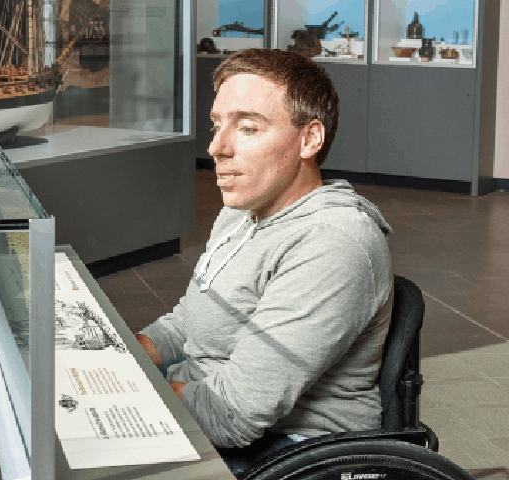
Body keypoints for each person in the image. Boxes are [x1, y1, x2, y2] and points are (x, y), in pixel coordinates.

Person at [134, 49, 393, 471]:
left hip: (288, 455)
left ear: (309, 139)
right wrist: (125, 354)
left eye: (248, 128)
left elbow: (232, 415)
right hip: (208, 414)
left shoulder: (333, 242)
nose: (217, 147)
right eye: (216, 125)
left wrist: (136, 388)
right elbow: (189, 322)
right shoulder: (239, 212)